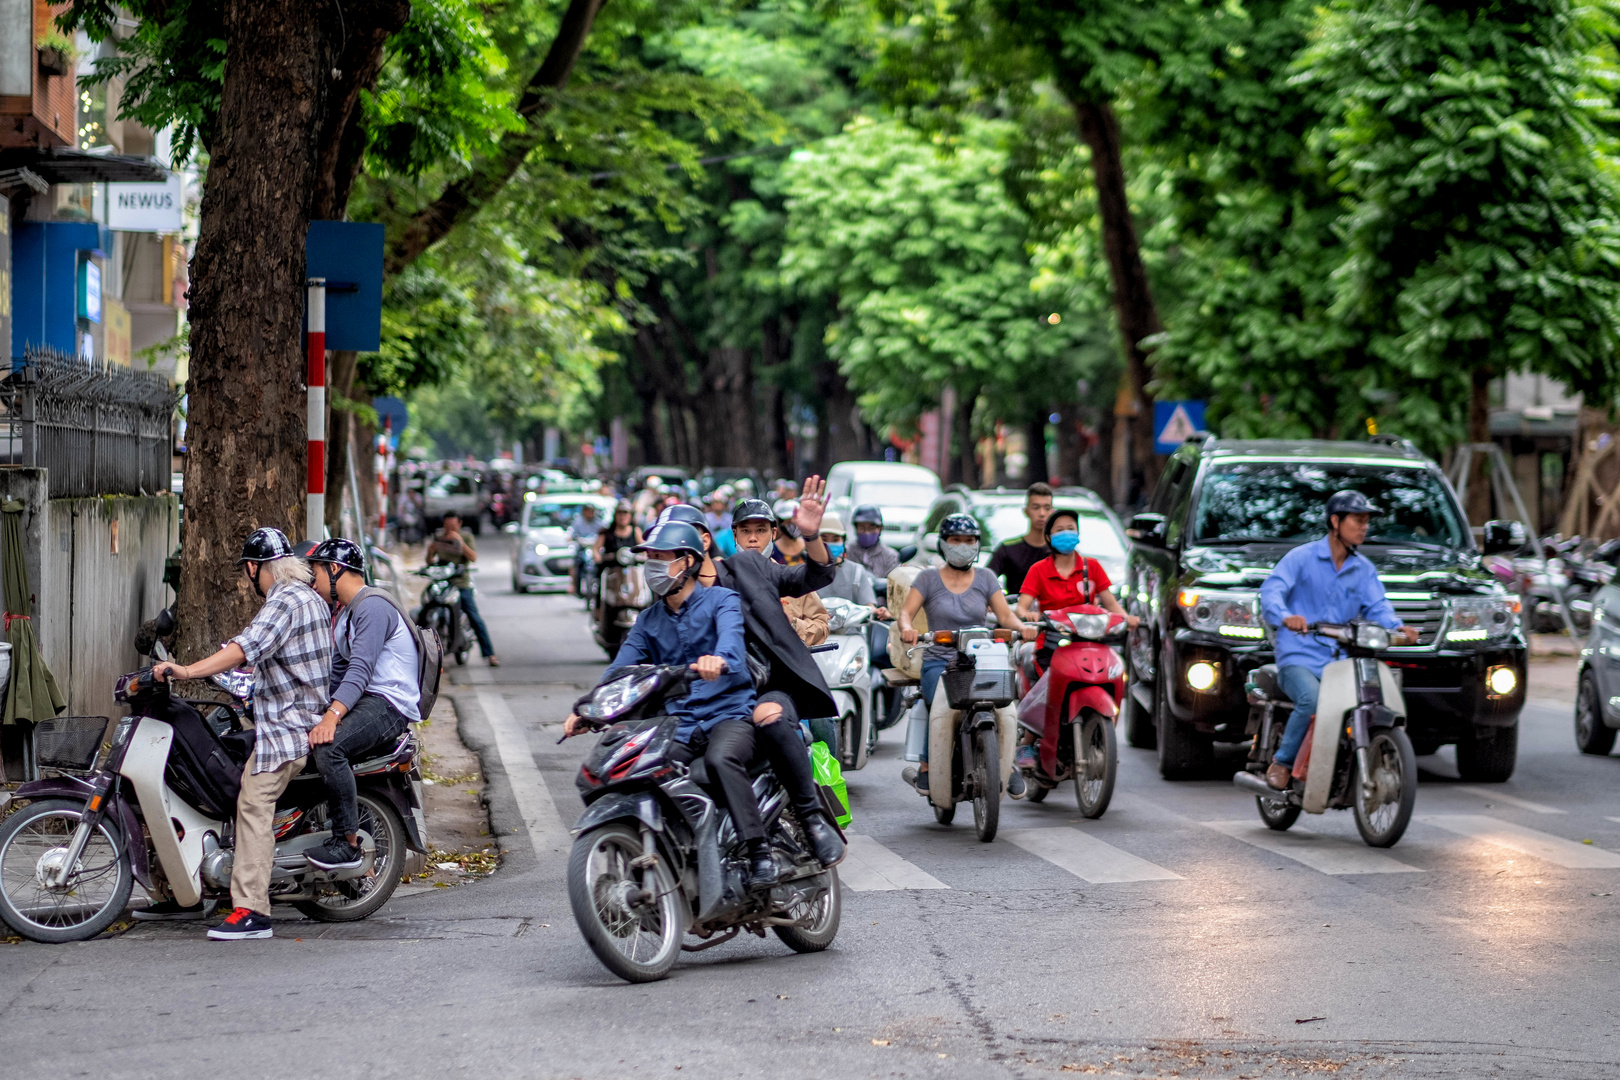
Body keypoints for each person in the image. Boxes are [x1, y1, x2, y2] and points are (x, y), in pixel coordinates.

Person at [561, 521, 781, 887]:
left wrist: (719, 660)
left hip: (728, 715)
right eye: (649, 558)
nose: (652, 565)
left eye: (661, 557)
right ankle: (675, 851)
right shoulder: (648, 620)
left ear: (689, 561)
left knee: (720, 760)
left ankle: (758, 851)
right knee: (639, 769)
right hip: (678, 724)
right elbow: (619, 670)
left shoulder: (721, 600)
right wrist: (587, 708)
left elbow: (731, 643)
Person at [149, 528, 333, 940]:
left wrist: (187, 670)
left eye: (247, 570)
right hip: (286, 716)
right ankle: (190, 894)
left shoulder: (284, 598)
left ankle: (252, 911)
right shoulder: (306, 596)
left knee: (252, 802)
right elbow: (275, 661)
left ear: (254, 568)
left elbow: (245, 648)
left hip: (287, 729)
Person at [661, 494, 845, 867]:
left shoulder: (748, 568)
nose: (668, 559)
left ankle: (811, 820)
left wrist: (810, 536)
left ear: (703, 542)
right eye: (661, 551)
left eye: (679, 546)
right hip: (704, 704)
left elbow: (812, 576)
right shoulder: (665, 599)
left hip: (765, 686)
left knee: (770, 715)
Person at [1258, 491, 1420, 790]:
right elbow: (1271, 591)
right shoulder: (1302, 557)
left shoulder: (1364, 569)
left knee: (1371, 699)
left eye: (1367, 521)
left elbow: (1378, 606)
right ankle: (1281, 762)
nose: (1364, 527)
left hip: (1341, 661)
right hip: (1298, 656)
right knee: (1311, 700)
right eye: (1358, 520)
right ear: (1335, 521)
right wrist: (1285, 616)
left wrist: (1399, 627)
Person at [302, 538, 423, 872]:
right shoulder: (345, 614)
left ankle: (347, 843)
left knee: (330, 747)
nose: (314, 582)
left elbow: (360, 670)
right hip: (368, 699)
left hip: (389, 704)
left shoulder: (372, 607)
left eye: (316, 573)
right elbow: (338, 675)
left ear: (335, 569)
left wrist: (331, 717)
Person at [897, 514, 1034, 797]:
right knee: (940, 702)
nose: (962, 545)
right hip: (939, 661)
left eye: (969, 540)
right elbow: (905, 613)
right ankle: (926, 766)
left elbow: (1005, 615)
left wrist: (1023, 628)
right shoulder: (927, 578)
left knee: (1005, 706)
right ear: (943, 544)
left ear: (977, 544)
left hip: (983, 659)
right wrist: (908, 629)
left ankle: (1006, 767)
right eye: (955, 540)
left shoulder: (986, 577)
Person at [1011, 509, 1140, 768]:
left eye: (1071, 527)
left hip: (1089, 642)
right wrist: (1029, 615)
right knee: (1045, 685)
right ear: (1048, 537)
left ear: (1078, 533)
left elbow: (1111, 604)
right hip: (1051, 643)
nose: (1066, 533)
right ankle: (1027, 741)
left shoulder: (1091, 567)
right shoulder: (1039, 570)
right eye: (1059, 530)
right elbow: (1021, 607)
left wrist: (1128, 619)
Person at [426, 511, 498, 667]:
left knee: (474, 617)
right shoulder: (439, 537)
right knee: (425, 606)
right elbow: (430, 561)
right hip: (443, 582)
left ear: (459, 524)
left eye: (453, 525)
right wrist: (431, 551)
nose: (449, 528)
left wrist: (460, 542)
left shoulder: (466, 537)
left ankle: (489, 654)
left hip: (461, 583)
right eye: (447, 525)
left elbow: (473, 557)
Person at [813, 512, 889, 618]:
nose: (830, 544)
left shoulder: (856, 572)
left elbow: (868, 606)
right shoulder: (805, 572)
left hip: (851, 632)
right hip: (814, 632)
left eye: (835, 539)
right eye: (824, 539)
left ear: (843, 542)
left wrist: (879, 612)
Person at [987, 482, 1055, 597]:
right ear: (1026, 511)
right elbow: (985, 583)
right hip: (1014, 612)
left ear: (1052, 512)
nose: (1042, 513)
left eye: (1047, 508)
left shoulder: (1061, 551)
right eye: (1036, 507)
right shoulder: (1007, 549)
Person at [846, 504, 899, 579]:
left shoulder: (890, 556)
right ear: (856, 528)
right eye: (862, 528)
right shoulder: (847, 552)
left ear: (880, 529)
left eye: (871, 528)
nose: (867, 532)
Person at [568, 502, 604, 596]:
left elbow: (602, 533)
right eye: (587, 511)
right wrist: (574, 539)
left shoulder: (598, 522)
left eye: (591, 511)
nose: (589, 513)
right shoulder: (578, 522)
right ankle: (573, 585)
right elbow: (572, 535)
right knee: (575, 562)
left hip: (594, 547)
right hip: (582, 548)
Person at [770, 498, 804, 565]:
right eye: (789, 522)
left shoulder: (809, 547)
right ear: (780, 523)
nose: (793, 525)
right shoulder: (771, 551)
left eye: (796, 521)